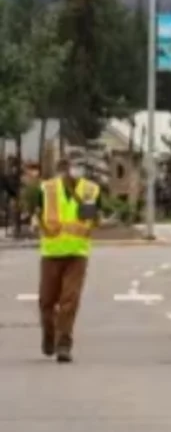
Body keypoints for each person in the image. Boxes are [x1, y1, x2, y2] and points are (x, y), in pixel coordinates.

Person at [36, 153, 102, 363]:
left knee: (69, 301)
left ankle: (64, 344)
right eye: (75, 165)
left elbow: (90, 218)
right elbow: (37, 212)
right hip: (51, 252)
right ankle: (49, 335)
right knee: (46, 302)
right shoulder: (47, 189)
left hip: (77, 254)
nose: (78, 170)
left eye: (82, 166)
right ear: (65, 167)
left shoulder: (90, 190)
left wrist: (93, 220)